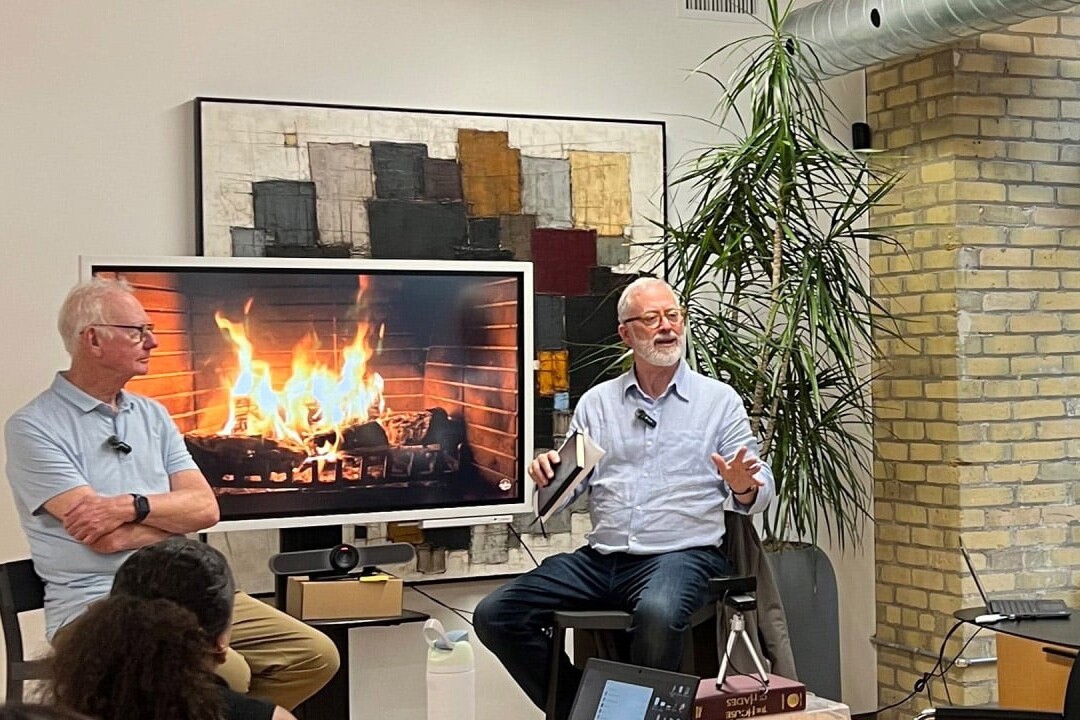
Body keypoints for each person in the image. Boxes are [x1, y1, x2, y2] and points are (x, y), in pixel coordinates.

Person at [3, 277, 339, 710]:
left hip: (188, 589)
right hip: (100, 602)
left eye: (150, 330)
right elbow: (105, 539)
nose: (153, 342)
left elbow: (205, 509)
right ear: (93, 339)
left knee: (312, 655)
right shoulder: (34, 427)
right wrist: (169, 522)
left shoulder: (152, 414)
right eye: (137, 331)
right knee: (227, 671)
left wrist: (131, 506)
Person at [473, 276, 776, 720]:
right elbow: (568, 490)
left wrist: (742, 483)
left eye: (673, 316)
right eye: (651, 319)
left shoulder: (718, 402)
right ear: (626, 334)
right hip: (602, 560)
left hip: (683, 555)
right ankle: (589, 711)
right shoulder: (598, 403)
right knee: (494, 613)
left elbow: (759, 488)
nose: (667, 327)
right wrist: (548, 477)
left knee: (656, 613)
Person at [46, 592, 291, 720]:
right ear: (219, 644)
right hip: (92, 597)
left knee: (318, 652)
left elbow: (205, 511)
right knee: (236, 673)